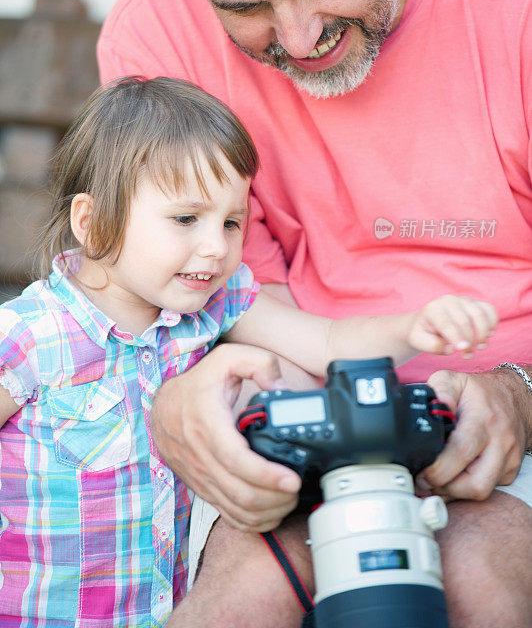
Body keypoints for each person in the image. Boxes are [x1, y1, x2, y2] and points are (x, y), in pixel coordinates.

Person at [97, 0, 532, 626]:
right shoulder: (154, 40)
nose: (298, 39)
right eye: (244, 8)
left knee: (484, 582)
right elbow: (217, 298)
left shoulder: (522, 2)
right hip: (289, 395)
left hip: (509, 416)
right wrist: (185, 396)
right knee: (245, 598)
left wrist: (521, 396)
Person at [0, 74, 496, 626]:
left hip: (165, 609)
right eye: (186, 219)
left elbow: (328, 343)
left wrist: (415, 328)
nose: (216, 248)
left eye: (232, 221)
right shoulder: (30, 336)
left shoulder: (214, 303)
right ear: (93, 225)